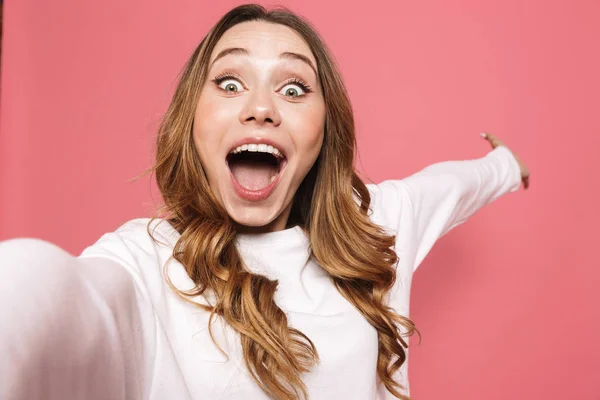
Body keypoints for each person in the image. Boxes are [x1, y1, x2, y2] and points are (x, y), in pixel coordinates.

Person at [0, 4, 530, 400]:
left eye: (294, 89)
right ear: (193, 121)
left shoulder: (375, 225)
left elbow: (454, 185)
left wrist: (507, 167)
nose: (260, 108)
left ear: (326, 130)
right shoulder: (145, 263)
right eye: (230, 82)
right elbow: (49, 300)